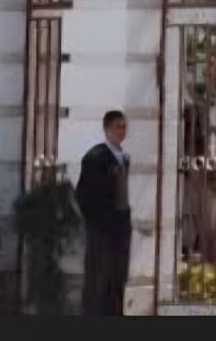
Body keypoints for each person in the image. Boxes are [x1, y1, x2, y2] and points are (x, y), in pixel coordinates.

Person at [77, 109, 132, 315]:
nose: (121, 131)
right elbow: (83, 195)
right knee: (99, 277)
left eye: (124, 127)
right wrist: (99, 222)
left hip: (120, 227)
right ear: (107, 129)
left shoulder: (123, 158)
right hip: (102, 229)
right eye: (117, 127)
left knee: (118, 276)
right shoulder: (95, 158)